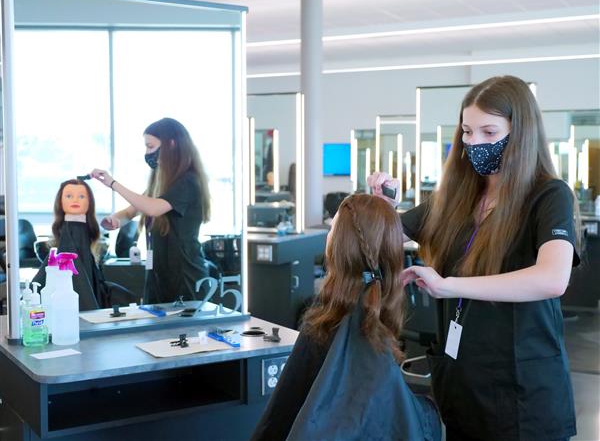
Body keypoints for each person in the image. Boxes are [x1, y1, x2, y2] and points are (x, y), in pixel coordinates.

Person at [369, 75, 580, 441]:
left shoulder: (548, 196)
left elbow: (552, 278)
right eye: (467, 131)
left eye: (488, 131)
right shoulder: (454, 199)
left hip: (523, 396)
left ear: (521, 132)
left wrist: (448, 285)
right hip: (464, 387)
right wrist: (378, 208)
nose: (473, 142)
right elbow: (371, 237)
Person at [251, 193, 441, 441]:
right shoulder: (364, 314)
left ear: (341, 243)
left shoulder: (332, 313)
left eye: (334, 227)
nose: (329, 232)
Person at [91, 117, 211, 304]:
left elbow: (153, 208)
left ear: (171, 144)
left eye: (150, 146)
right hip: (158, 275)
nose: (147, 153)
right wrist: (116, 220)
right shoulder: (161, 184)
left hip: (185, 277)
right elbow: (132, 211)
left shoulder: (187, 182)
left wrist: (113, 184)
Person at [33, 179, 134, 310]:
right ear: (60, 201)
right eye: (69, 196)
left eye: (81, 196)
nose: (75, 200)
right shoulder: (68, 233)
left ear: (89, 202)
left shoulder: (87, 230)